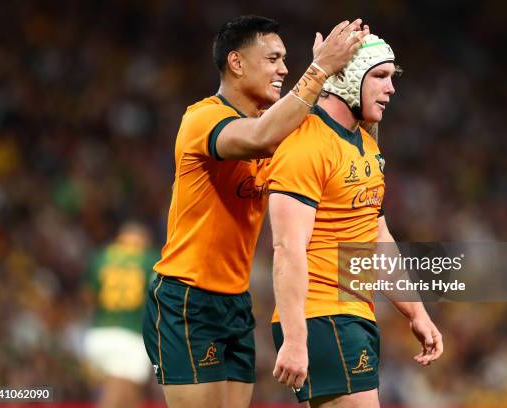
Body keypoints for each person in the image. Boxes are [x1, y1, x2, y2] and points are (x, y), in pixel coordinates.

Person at [142, 15, 369, 408]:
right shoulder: (202, 118)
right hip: (186, 300)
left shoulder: (279, 124)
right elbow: (262, 138)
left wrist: (340, 78)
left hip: (235, 302)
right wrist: (318, 71)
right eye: (273, 58)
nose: (284, 68)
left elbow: (334, 134)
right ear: (236, 63)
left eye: (287, 60)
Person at [267, 34, 444, 407]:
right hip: (321, 315)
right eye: (380, 76)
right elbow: (287, 247)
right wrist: (296, 338)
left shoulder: (365, 144)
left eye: (392, 76)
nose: (391, 88)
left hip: (351, 313)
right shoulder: (306, 145)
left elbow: (376, 234)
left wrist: (416, 311)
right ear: (347, 78)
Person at [83, 222, 159, 408]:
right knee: (115, 394)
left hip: (100, 332)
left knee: (131, 398)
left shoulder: (102, 257)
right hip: (130, 335)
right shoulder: (150, 259)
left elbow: (87, 297)